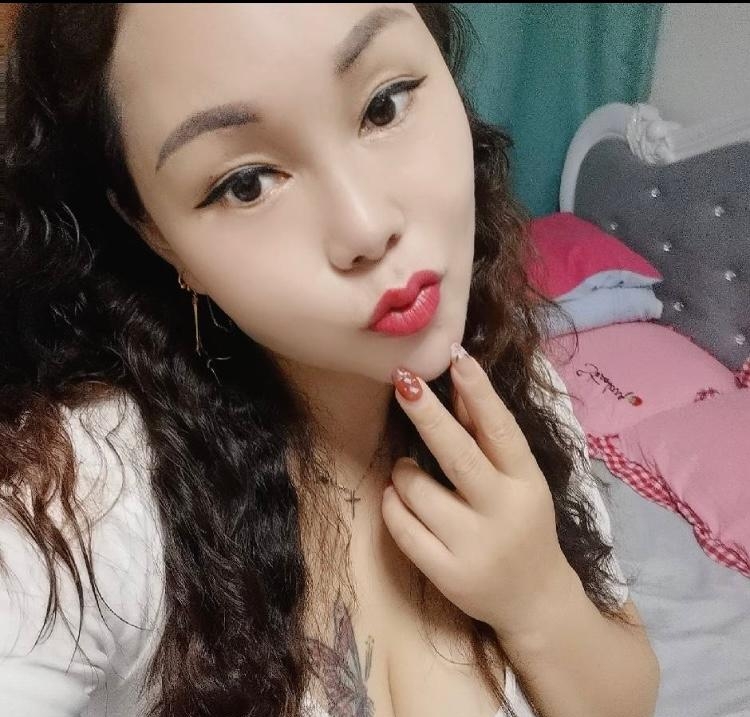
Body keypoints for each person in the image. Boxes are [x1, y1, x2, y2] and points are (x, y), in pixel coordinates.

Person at [0, 4, 660, 717]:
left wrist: (537, 596)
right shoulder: (86, 502)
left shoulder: (509, 384)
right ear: (155, 232)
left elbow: (627, 698)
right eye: (246, 184)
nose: (366, 227)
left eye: (385, 105)